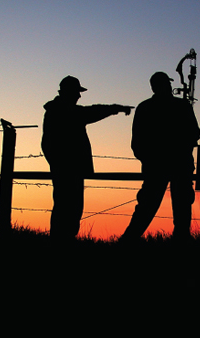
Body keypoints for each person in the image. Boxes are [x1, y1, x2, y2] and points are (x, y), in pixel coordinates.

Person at [41, 75, 132, 243]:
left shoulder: (57, 111)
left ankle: (61, 241)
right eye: (77, 92)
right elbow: (92, 111)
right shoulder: (66, 112)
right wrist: (116, 108)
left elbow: (46, 144)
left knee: (65, 207)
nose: (79, 96)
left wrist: (56, 164)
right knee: (69, 208)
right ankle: (61, 242)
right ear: (68, 92)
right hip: (69, 170)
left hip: (65, 169)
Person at [119, 71, 200, 243]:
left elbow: (137, 142)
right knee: (178, 204)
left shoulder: (145, 107)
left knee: (153, 204)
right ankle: (179, 239)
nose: (169, 87)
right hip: (176, 165)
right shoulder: (181, 106)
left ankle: (129, 240)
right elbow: (195, 133)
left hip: (159, 166)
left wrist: (148, 159)